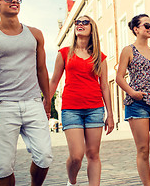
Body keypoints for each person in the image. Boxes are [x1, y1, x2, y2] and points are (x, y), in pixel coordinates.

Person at [0, 0, 53, 185]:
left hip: (32, 102)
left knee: (45, 156)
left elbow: (42, 69)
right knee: (3, 166)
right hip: (2, 105)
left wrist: (47, 98)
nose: (14, 1)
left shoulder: (35, 34)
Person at [49, 15, 114, 186]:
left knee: (93, 154)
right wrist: (46, 104)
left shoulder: (100, 57)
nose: (80, 24)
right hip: (71, 109)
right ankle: (72, 181)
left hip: (95, 109)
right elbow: (54, 80)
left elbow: (105, 86)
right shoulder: (64, 53)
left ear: (92, 28)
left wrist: (110, 114)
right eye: (78, 22)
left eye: (85, 22)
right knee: (77, 155)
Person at [116, 14, 150, 186]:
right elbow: (119, 77)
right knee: (143, 150)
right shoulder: (128, 50)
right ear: (136, 29)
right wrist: (132, 93)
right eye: (146, 25)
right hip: (137, 105)